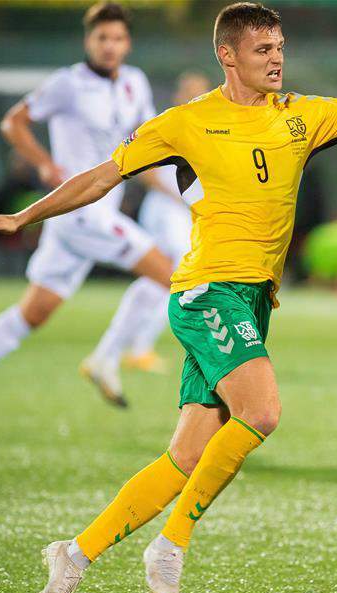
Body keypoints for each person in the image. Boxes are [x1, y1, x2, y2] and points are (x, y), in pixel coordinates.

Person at [0, 3, 337, 593]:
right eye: (262, 50)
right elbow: (102, 177)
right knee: (261, 412)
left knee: (185, 457)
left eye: (280, 47)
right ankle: (171, 543)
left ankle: (74, 554)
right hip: (208, 290)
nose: (277, 59)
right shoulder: (187, 122)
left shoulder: (304, 116)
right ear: (227, 55)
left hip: (254, 299)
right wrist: (23, 216)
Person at [0, 1, 175, 430]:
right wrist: (43, 162)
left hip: (83, 220)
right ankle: (106, 360)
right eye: (102, 37)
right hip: (81, 214)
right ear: (89, 40)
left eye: (117, 38)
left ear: (127, 42)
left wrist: (180, 196)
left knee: (35, 311)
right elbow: (13, 123)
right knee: (172, 274)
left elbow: (146, 158)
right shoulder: (68, 83)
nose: (110, 46)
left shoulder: (135, 84)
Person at [118, 71, 212, 374]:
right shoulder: (166, 124)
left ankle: (124, 347)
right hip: (165, 210)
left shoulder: (204, 128)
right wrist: (173, 196)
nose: (196, 97)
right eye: (191, 91)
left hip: (178, 212)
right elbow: (139, 167)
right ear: (178, 94)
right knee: (184, 277)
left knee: (158, 279)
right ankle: (141, 347)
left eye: (202, 92)